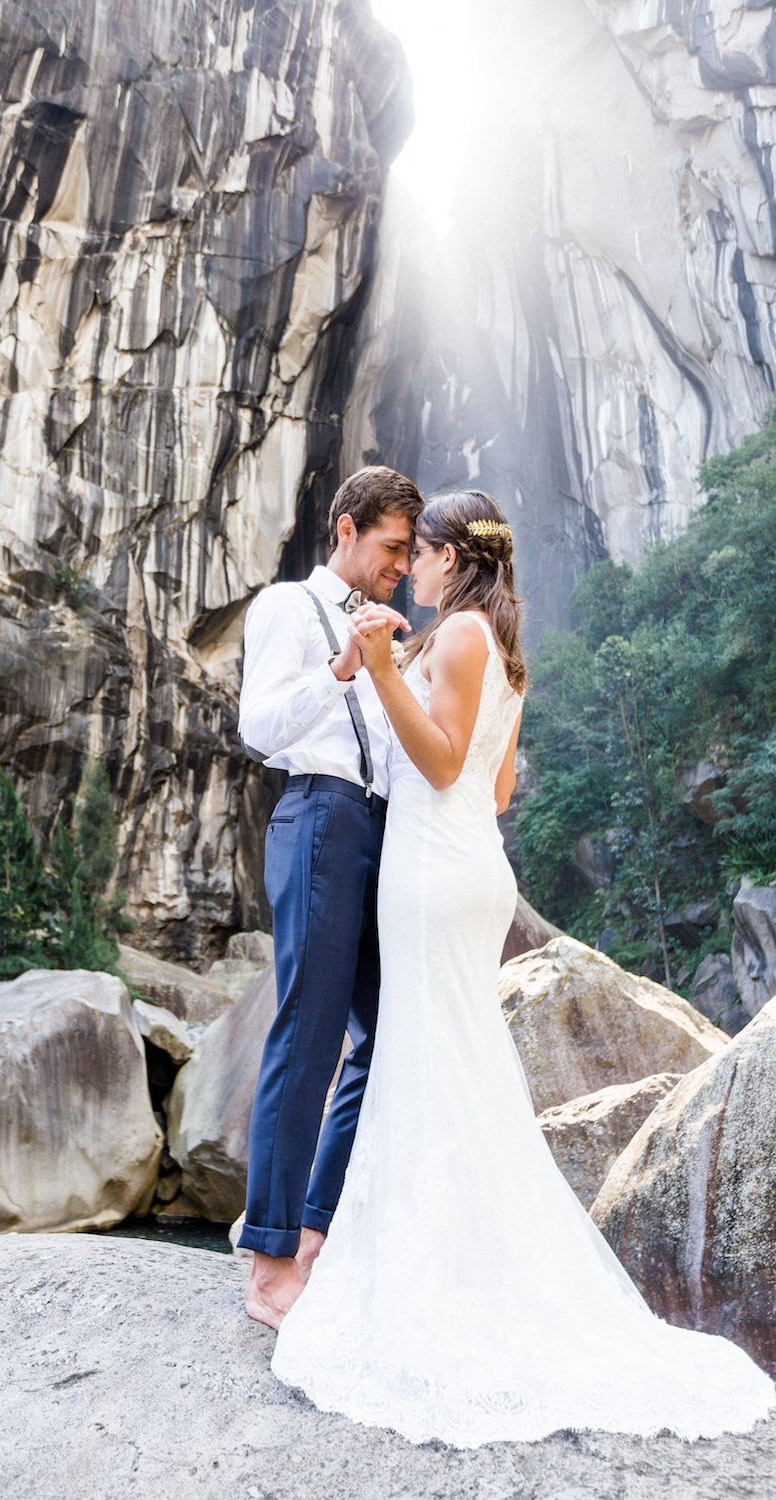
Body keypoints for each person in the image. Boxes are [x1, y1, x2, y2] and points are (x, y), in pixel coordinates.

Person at [270, 490, 776, 1446]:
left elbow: (440, 759)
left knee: (428, 1061)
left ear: (451, 555)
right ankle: (457, 1261)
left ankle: (429, 1278)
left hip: (430, 872)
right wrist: (384, 666)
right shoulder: (496, 648)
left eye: (417, 553)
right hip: (468, 866)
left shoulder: (456, 636)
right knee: (449, 1062)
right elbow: (495, 789)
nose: (406, 569)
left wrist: (382, 667)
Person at [236, 464, 425, 1329]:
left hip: (377, 833)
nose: (402, 565)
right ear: (346, 530)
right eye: (391, 547)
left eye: (410, 552)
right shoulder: (286, 607)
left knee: (390, 1033)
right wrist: (343, 668)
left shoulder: (388, 627)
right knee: (305, 1037)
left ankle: (313, 1232)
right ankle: (269, 1268)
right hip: (317, 818)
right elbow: (259, 729)